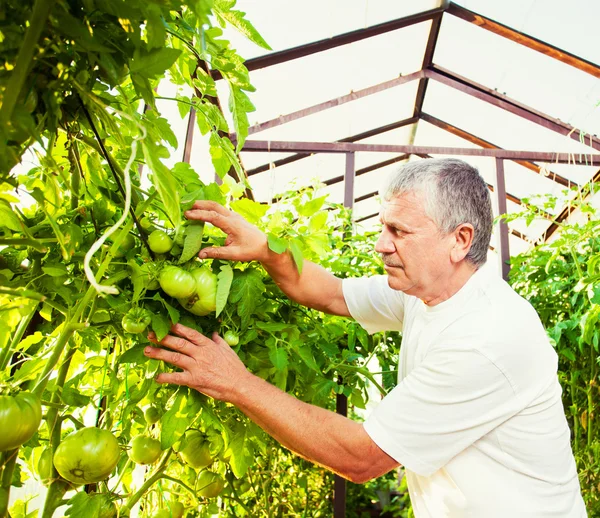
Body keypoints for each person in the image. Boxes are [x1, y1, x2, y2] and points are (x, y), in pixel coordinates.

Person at [144, 158, 586, 517]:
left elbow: (361, 457)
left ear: (460, 240)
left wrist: (236, 383)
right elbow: (332, 292)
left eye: (398, 231)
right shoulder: (425, 292)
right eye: (383, 227)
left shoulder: (487, 336)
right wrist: (265, 248)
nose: (380, 244)